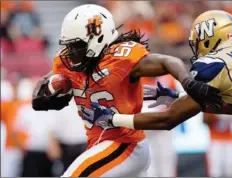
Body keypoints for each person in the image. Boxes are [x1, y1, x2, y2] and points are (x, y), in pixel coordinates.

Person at [90, 10, 232, 176]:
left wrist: (113, 119)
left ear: (208, 35)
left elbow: (168, 119)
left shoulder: (213, 63)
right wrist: (175, 98)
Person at [31, 4, 211, 177]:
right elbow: (42, 88)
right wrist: (44, 96)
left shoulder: (120, 59)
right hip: (101, 143)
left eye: (76, 46)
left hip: (123, 144)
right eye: (68, 46)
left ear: (98, 39)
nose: (70, 53)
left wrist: (188, 82)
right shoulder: (67, 62)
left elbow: (168, 61)